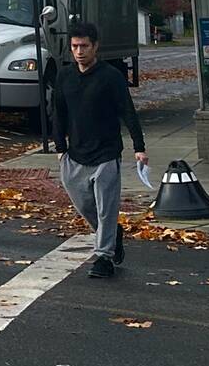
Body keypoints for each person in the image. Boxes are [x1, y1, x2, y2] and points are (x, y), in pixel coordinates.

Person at [49, 20, 148, 278]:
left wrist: (139, 147)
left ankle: (103, 257)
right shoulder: (65, 76)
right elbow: (57, 113)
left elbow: (128, 111)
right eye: (74, 46)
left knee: (106, 208)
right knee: (84, 204)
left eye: (84, 46)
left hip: (106, 153)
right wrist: (60, 148)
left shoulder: (111, 77)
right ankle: (113, 234)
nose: (79, 51)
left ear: (95, 47)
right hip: (75, 154)